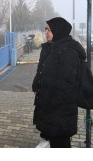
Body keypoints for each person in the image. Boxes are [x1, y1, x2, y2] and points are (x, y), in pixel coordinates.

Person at [32, 17, 86, 148]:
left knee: (61, 142)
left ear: (58, 31)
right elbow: (43, 72)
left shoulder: (68, 51)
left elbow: (66, 85)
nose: (46, 32)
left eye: (49, 29)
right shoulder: (52, 48)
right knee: (53, 139)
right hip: (50, 108)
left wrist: (50, 100)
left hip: (60, 112)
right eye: (45, 29)